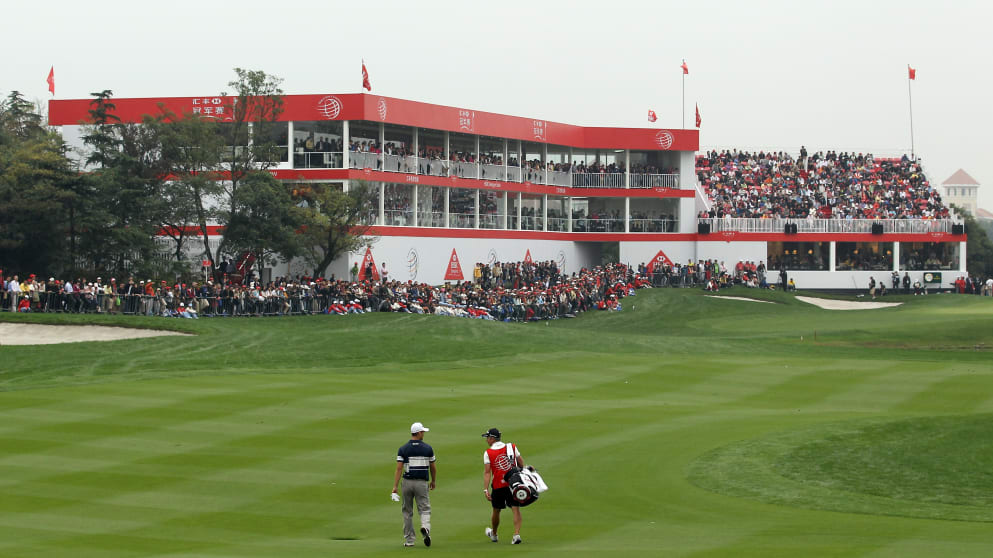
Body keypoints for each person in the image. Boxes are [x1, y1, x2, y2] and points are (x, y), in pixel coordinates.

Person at [393, 422, 436, 548]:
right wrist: (433, 481)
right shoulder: (428, 448)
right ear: (418, 433)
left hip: (406, 483)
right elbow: (433, 467)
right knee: (425, 509)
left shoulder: (403, 449)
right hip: (421, 483)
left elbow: (399, 469)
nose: (423, 434)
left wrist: (395, 486)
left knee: (407, 511)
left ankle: (409, 540)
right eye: (422, 432)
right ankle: (425, 527)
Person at [482, 427, 524, 545]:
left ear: (492, 439)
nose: (486, 441)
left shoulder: (488, 453)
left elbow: (487, 472)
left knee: (496, 510)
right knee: (515, 509)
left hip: (498, 486)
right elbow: (521, 463)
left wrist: (485, 489)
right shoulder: (512, 447)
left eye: (487, 438)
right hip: (513, 484)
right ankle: (516, 534)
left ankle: (494, 534)